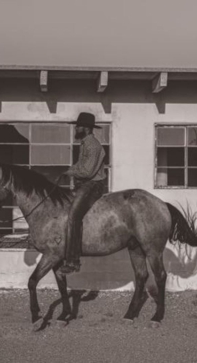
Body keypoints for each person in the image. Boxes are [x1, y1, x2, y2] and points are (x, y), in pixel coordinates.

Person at [58, 112, 108, 274]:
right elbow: (81, 166)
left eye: (78, 126)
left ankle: (73, 261)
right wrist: (69, 172)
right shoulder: (85, 144)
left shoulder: (93, 145)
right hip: (85, 184)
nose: (76, 128)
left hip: (93, 185)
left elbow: (87, 171)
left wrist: (69, 172)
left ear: (86, 128)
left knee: (73, 216)